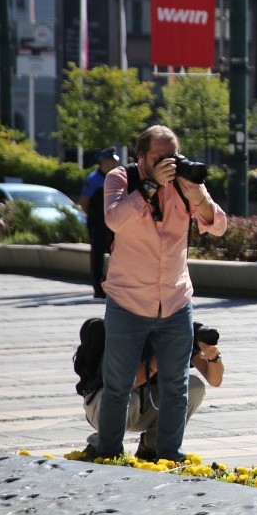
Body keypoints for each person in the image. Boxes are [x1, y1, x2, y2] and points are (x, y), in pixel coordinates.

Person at [96, 125, 227, 462]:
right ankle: (108, 457)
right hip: (128, 301)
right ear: (141, 157)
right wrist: (152, 185)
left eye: (174, 156)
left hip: (175, 302)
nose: (169, 164)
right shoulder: (121, 179)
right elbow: (115, 220)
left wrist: (196, 193)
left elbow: (219, 225)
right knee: (117, 387)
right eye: (160, 158)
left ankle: (169, 457)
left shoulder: (184, 185)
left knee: (176, 387)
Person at [79, 318, 224, 460]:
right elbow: (126, 383)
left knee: (194, 386)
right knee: (131, 398)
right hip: (105, 406)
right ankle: (101, 445)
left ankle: (151, 446)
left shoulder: (174, 334)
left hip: (144, 406)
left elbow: (215, 380)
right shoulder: (124, 331)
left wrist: (214, 357)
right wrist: (160, 358)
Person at [80, 147, 120, 299]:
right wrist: (94, 217)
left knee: (117, 255)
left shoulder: (116, 177)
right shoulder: (93, 179)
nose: (115, 163)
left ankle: (113, 286)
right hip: (98, 223)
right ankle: (98, 288)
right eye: (112, 161)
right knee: (97, 256)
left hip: (113, 223)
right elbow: (84, 202)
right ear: (104, 162)